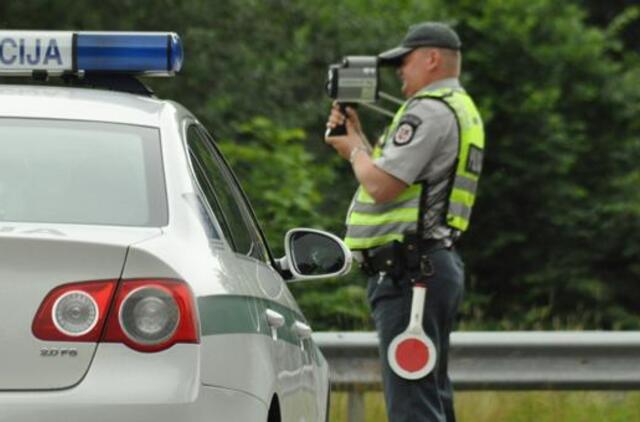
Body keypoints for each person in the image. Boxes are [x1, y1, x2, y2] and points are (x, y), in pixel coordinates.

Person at [324, 22, 485, 422]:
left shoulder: (428, 110)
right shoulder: (459, 107)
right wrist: (359, 141)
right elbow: (394, 180)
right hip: (428, 266)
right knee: (430, 400)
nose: (398, 71)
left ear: (432, 59)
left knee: (414, 408)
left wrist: (352, 151)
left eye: (404, 61)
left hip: (411, 273)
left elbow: (381, 186)